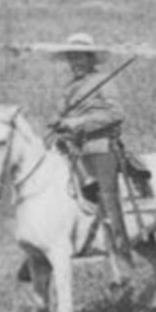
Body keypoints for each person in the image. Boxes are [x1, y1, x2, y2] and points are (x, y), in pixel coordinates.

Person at [46, 33, 137, 291]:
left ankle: (122, 257)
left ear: (90, 58)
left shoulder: (103, 82)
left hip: (99, 148)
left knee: (108, 198)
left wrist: (77, 123)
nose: (76, 61)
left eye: (80, 57)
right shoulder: (68, 87)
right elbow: (62, 113)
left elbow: (116, 114)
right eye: (72, 57)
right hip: (70, 149)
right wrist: (58, 122)